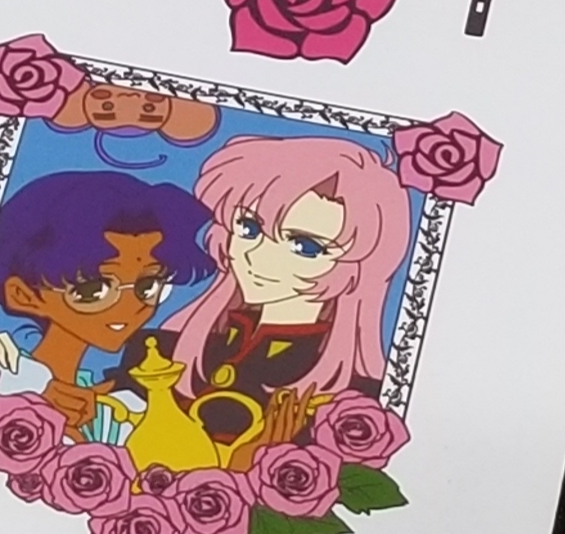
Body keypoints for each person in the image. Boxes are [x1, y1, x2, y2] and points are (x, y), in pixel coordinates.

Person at [117, 135, 412, 455]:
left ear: (358, 268)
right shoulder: (157, 350)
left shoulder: (358, 405)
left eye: (305, 246)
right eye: (249, 228)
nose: (258, 256)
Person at [0, 170, 213, 440]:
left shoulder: (121, 407)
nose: (131, 307)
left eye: (148, 286)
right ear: (23, 295)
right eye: (94, 290)